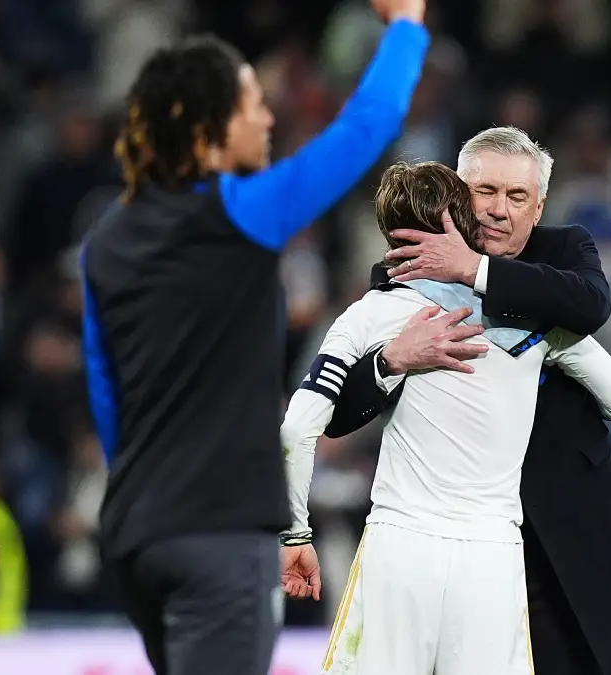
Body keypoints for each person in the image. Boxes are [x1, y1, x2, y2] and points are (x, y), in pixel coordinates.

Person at [77, 1, 430, 673]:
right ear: (206, 125)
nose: (267, 115)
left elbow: (108, 401)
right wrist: (407, 24)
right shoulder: (244, 214)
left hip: (138, 533)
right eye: (249, 102)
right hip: (219, 530)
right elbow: (368, 125)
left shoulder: (105, 243)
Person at [324, 127, 611, 675]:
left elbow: (591, 306)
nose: (498, 210)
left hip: (568, 534)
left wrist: (474, 271)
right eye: (484, 190)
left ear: (538, 206)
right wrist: (390, 361)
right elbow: (342, 412)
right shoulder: (407, 276)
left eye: (517, 197)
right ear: (455, 189)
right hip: (458, 544)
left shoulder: (565, 250)